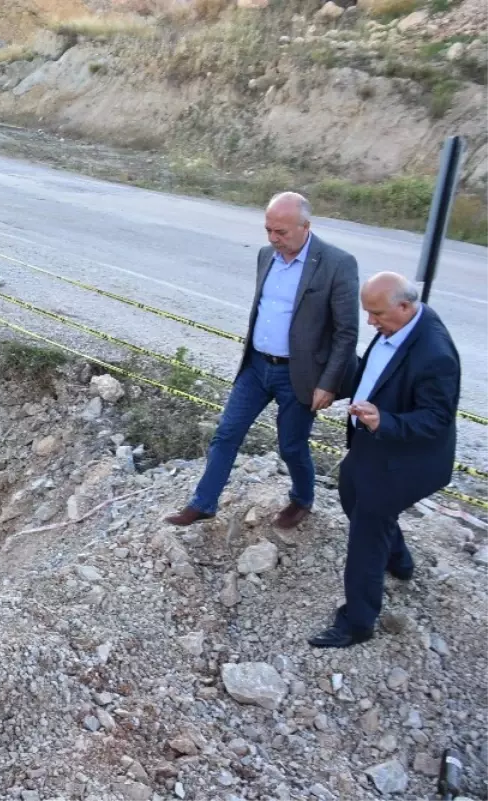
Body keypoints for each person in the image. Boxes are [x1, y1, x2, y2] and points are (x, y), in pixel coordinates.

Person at [166, 192, 359, 529]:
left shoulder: (337, 264)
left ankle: (302, 498)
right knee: (226, 434)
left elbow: (347, 333)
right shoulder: (265, 256)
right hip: (256, 367)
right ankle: (204, 503)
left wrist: (328, 383)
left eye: (281, 232)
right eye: (268, 230)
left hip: (299, 374)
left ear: (305, 226)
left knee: (291, 445)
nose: (273, 238)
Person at [308, 272, 461, 648]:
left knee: (366, 532)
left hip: (404, 459)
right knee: (348, 493)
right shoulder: (399, 326)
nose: (371, 322)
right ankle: (400, 561)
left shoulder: (435, 353)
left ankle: (357, 622)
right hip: (373, 444)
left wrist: (385, 421)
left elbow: (437, 419)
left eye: (376, 314)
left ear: (405, 306)